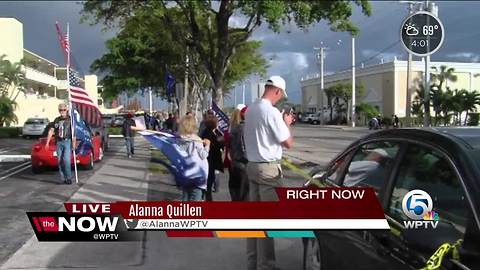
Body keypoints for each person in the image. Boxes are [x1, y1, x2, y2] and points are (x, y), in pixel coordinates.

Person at [244, 75, 293, 270]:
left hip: (252, 166)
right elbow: (288, 142)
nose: (279, 99)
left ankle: (252, 262)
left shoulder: (251, 109)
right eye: (280, 96)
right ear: (277, 91)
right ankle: (266, 266)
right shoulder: (271, 112)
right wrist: (286, 122)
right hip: (268, 170)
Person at [177, 115, 211, 201]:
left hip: (186, 174)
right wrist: (207, 146)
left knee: (185, 197)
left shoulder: (181, 140)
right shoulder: (197, 140)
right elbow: (203, 155)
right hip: (197, 175)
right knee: (196, 198)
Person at [45, 103, 76, 184]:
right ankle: (63, 178)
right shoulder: (56, 120)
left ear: (67, 110)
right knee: (60, 161)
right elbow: (51, 131)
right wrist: (47, 143)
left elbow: (74, 132)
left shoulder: (71, 119)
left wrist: (74, 143)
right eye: (60, 110)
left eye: (64, 110)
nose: (62, 111)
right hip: (59, 142)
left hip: (67, 141)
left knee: (66, 160)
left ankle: (69, 178)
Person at [201, 115, 224, 201]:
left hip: (213, 160)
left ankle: (207, 198)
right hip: (210, 160)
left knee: (210, 181)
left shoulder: (215, 132)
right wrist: (221, 140)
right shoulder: (208, 133)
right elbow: (215, 144)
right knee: (209, 182)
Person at [229, 106, 249, 201]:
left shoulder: (235, 128)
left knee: (235, 192)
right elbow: (243, 147)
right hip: (243, 164)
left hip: (235, 163)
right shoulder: (245, 129)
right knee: (244, 194)